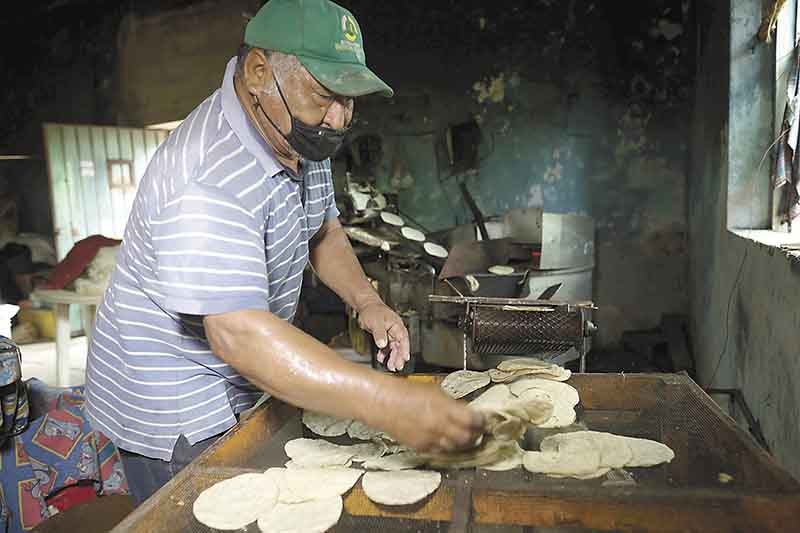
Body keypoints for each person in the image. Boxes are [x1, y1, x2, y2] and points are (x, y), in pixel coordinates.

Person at [84, 0, 484, 505]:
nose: (338, 119)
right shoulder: (206, 174)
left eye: (350, 100)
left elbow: (323, 232)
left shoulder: (292, 127)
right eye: (324, 96)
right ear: (258, 72)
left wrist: (368, 302)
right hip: (174, 398)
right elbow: (237, 335)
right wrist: (385, 401)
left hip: (238, 370)